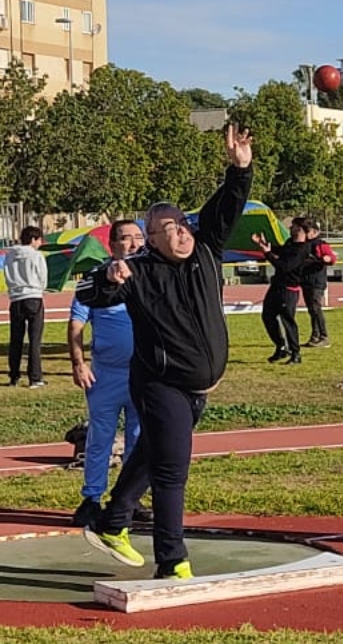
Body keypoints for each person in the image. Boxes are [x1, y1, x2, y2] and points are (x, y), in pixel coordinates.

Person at [77, 123, 254, 580]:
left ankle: (113, 521)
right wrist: (108, 278)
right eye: (167, 229)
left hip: (199, 386)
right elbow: (88, 293)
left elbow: (229, 202)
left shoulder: (207, 249)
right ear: (151, 239)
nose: (180, 233)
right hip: (161, 384)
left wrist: (240, 169)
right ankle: (172, 560)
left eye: (182, 224)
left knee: (152, 451)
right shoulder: (137, 270)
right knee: (172, 468)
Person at [68, 220, 144, 529]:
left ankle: (129, 499)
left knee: (139, 440)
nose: (134, 244)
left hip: (143, 375)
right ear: (112, 246)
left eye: (139, 237)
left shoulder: (151, 277)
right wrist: (79, 363)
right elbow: (76, 324)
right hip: (106, 376)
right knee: (100, 439)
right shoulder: (94, 280)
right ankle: (91, 499)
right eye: (126, 238)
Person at [252, 218, 310, 365]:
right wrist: (265, 246)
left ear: (300, 229)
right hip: (276, 287)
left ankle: (295, 354)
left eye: (293, 226)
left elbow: (284, 266)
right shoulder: (290, 243)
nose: (290, 228)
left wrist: (268, 254)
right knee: (267, 316)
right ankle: (281, 347)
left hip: (288, 290)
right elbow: (281, 251)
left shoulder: (302, 249)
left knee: (288, 321)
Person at [3, 226, 48, 388]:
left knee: (16, 339)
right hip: (33, 296)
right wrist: (39, 288)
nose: (40, 243)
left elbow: (6, 274)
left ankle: (14, 376)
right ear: (33, 240)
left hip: (16, 298)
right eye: (39, 240)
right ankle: (35, 377)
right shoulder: (36, 255)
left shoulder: (10, 255)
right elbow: (42, 277)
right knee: (34, 340)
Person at [300, 219, 336, 347]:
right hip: (306, 281)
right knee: (311, 310)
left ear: (315, 232)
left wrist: (328, 258)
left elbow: (332, 258)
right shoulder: (303, 244)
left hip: (317, 282)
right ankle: (315, 336)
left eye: (307, 231)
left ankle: (323, 336)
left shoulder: (321, 244)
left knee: (316, 308)